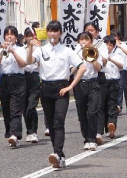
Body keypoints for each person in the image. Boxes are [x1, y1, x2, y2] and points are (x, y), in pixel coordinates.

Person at [27, 20, 86, 168]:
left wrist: (70, 86)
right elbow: (28, 62)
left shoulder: (67, 50)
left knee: (59, 121)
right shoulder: (40, 50)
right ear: (47, 33)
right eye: (50, 31)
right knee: (51, 123)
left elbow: (82, 67)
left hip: (61, 88)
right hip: (45, 88)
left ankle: (57, 153)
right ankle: (59, 155)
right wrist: (30, 46)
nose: (52, 34)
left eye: (56, 31)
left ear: (60, 33)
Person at [0, 26, 27, 148]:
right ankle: (10, 132)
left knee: (16, 108)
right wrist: (3, 52)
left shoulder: (21, 49)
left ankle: (15, 134)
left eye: (12, 34)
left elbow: (23, 63)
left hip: (18, 79)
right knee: (6, 108)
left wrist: (13, 51)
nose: (9, 36)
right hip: (4, 79)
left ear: (16, 37)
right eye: (7, 34)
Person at [73, 32, 102, 150]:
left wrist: (91, 57)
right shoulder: (74, 52)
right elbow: (72, 70)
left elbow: (99, 68)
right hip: (80, 84)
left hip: (93, 83)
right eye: (81, 40)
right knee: (82, 113)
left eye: (86, 39)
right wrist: (79, 60)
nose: (84, 42)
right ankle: (87, 138)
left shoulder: (94, 50)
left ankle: (92, 138)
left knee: (92, 112)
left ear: (91, 41)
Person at [83, 22, 108, 145]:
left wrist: (94, 52)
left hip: (99, 76)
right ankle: (88, 131)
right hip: (84, 77)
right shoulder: (80, 45)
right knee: (86, 108)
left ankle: (98, 132)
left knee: (98, 106)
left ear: (97, 32)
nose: (90, 32)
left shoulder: (101, 44)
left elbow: (105, 61)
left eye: (92, 30)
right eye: (88, 30)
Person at [103, 35, 123, 137]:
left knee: (112, 105)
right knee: (103, 105)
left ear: (114, 46)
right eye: (106, 44)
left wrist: (111, 60)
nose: (108, 47)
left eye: (110, 45)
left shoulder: (117, 54)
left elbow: (121, 66)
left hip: (114, 82)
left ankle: (112, 125)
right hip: (103, 82)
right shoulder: (100, 55)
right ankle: (107, 126)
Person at [23, 27, 40, 143]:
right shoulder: (21, 48)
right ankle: (29, 131)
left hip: (34, 77)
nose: (30, 38)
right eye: (28, 36)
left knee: (32, 105)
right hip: (23, 77)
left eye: (32, 36)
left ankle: (34, 131)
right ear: (24, 37)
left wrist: (36, 47)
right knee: (25, 106)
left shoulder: (39, 49)